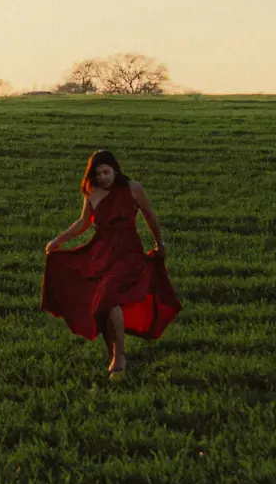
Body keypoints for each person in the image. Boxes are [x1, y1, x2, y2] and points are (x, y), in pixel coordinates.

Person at [40, 148, 178, 375]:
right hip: (100, 252)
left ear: (115, 170)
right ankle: (114, 354)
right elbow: (83, 222)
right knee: (100, 304)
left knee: (108, 297)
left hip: (128, 253)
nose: (102, 177)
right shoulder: (92, 192)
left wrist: (159, 243)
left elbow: (149, 215)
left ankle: (120, 358)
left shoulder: (133, 188)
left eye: (106, 172)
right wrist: (57, 240)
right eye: (98, 174)